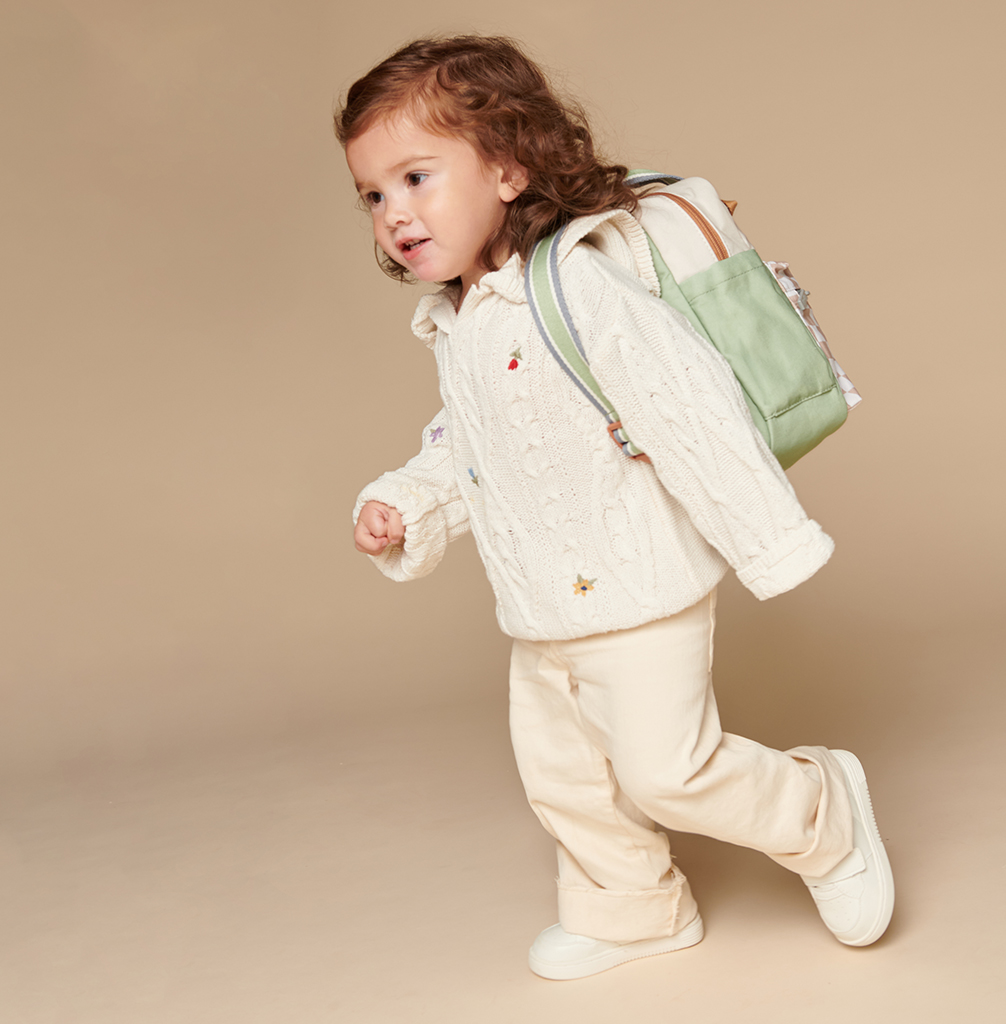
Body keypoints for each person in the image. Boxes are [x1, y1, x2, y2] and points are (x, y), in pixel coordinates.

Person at [337, 35, 893, 980]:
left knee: (666, 770)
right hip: (540, 604)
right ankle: (632, 911)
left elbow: (689, 412)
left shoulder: (576, 284)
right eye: (374, 195)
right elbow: (468, 443)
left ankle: (821, 810)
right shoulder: (462, 318)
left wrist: (772, 542)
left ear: (509, 168)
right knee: (569, 779)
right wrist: (404, 503)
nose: (395, 214)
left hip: (639, 586)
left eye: (417, 177)